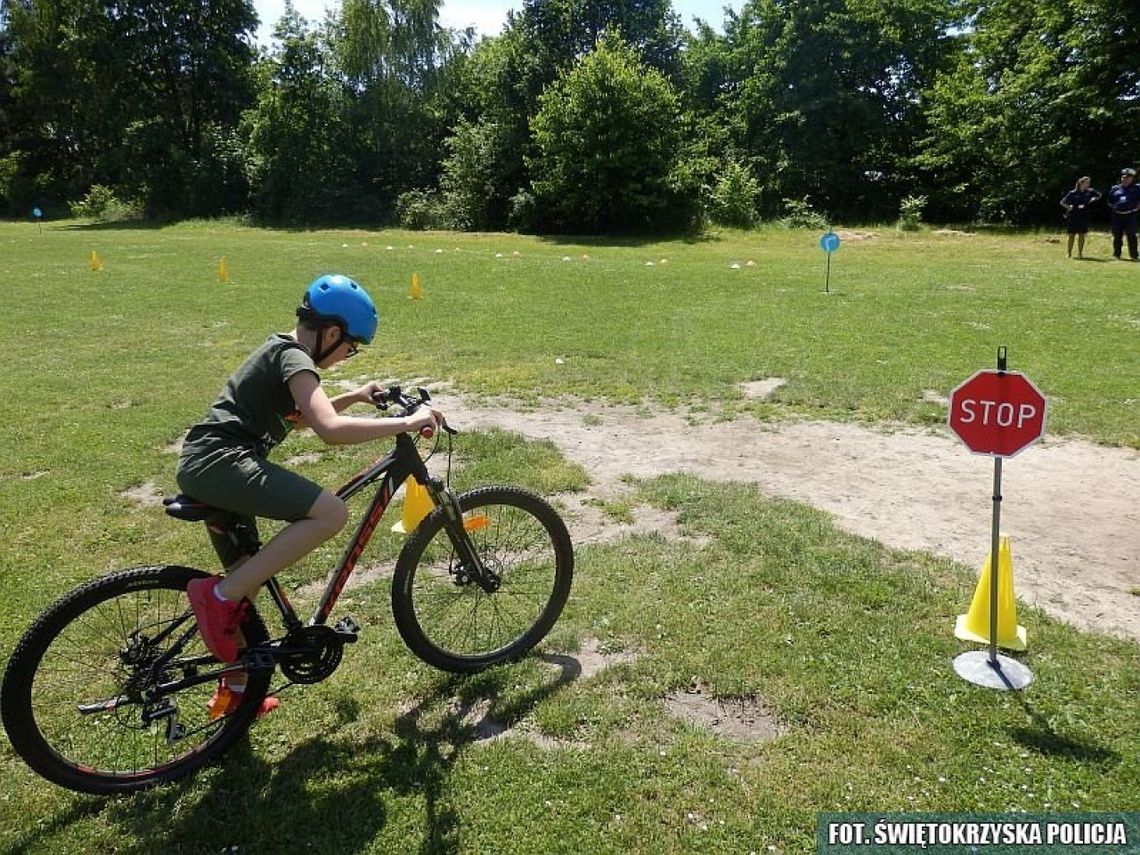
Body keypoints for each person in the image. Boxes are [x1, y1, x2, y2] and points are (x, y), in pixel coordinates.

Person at [177, 274, 441, 716]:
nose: (346, 356)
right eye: (350, 348)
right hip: (220, 463)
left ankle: (236, 692)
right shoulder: (294, 357)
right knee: (330, 514)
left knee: (248, 578)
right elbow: (329, 431)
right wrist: (407, 423)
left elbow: (301, 418)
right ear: (332, 333)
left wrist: (355, 396)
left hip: (210, 465)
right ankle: (218, 597)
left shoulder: (284, 352)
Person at [1059, 176, 1101, 258]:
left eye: (1089, 183)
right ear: (1081, 183)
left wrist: (1093, 199)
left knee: (1082, 234)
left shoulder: (1090, 191)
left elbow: (1099, 195)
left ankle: (1080, 253)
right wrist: (1068, 207)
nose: (1088, 184)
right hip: (1073, 215)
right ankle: (1069, 253)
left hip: (1084, 215)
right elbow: (1062, 202)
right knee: (1071, 234)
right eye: (1086, 182)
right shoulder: (1073, 193)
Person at [1106, 167, 1140, 260]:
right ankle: (1117, 254)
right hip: (1117, 215)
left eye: (1127, 177)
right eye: (1123, 177)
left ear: (1132, 178)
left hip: (1130, 215)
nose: (1124, 179)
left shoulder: (1137, 188)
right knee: (1117, 235)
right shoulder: (1115, 188)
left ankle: (1134, 255)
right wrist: (1114, 207)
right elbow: (1109, 201)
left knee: (1131, 235)